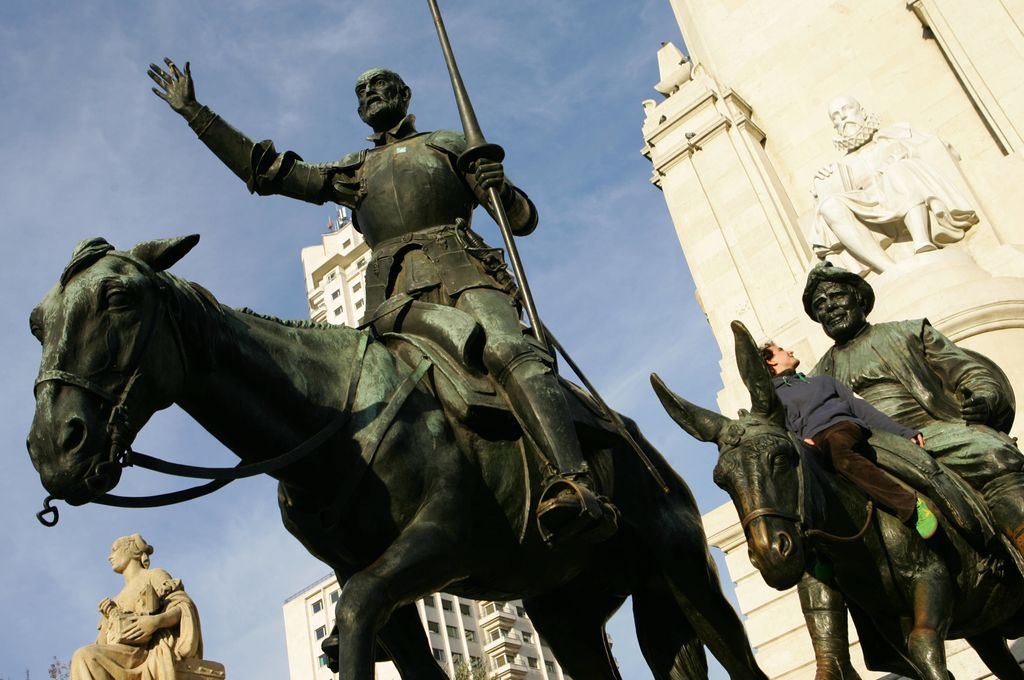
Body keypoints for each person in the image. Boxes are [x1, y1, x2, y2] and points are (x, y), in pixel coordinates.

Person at [147, 59, 615, 544]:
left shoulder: (449, 145)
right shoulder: (355, 170)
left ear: (405, 93)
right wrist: (196, 114)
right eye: (361, 90)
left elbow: (520, 220)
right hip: (391, 303)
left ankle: (572, 480)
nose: (370, 93)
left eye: (380, 85)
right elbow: (268, 171)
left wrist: (498, 185)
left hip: (463, 278)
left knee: (508, 350)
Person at [803, 261, 1024, 556]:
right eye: (820, 304)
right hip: (864, 451)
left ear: (859, 299)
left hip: (930, 434)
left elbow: (971, 374)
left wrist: (984, 398)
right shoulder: (819, 376)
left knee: (994, 455)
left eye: (836, 296)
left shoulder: (909, 333)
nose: (829, 307)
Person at [760, 342, 937, 538]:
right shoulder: (772, 401)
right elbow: (781, 432)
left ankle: (910, 506)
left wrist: (903, 432)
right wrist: (799, 441)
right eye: (782, 350)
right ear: (771, 360)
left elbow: (862, 409)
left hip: (840, 428)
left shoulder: (823, 381)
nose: (790, 350)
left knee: (839, 454)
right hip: (811, 446)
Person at [811, 96, 978, 274]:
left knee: (897, 169)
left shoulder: (894, 135)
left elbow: (936, 147)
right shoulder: (841, 166)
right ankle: (889, 269)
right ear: (835, 127)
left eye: (847, 110)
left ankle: (922, 241)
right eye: (836, 116)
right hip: (869, 207)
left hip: (903, 187)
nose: (843, 118)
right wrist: (820, 186)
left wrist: (902, 153)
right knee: (829, 206)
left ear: (862, 112)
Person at [71, 534, 202, 680]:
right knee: (85, 657)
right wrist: (108, 617)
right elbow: (104, 645)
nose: (110, 557)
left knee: (84, 655)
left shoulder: (154, 575)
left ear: (131, 550)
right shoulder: (116, 600)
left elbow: (182, 606)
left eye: (114, 550)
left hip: (147, 652)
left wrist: (155, 622)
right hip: (123, 655)